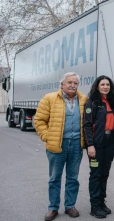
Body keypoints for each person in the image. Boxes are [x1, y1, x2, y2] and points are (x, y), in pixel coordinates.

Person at [34, 72, 87, 221]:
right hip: (57, 145)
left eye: (75, 83)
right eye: (69, 82)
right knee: (54, 178)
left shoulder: (83, 100)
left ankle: (70, 206)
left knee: (73, 178)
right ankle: (53, 208)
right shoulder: (49, 98)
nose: (72, 85)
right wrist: (48, 137)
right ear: (62, 84)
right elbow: (39, 121)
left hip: (77, 145)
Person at [83, 76, 114, 218]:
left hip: (109, 142)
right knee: (95, 174)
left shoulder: (112, 101)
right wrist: (90, 145)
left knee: (104, 174)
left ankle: (101, 202)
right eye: (102, 84)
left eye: (107, 84)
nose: (105, 86)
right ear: (97, 86)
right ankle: (94, 206)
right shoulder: (92, 103)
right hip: (96, 144)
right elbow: (87, 125)